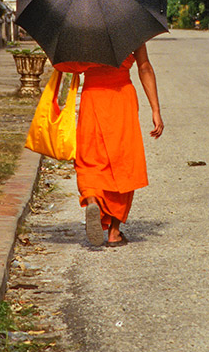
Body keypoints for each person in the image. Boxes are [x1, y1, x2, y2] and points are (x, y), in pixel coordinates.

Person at [53, 42, 163, 247]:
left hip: (93, 97)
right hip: (122, 98)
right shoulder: (128, 28)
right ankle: (114, 232)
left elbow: (62, 64)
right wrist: (155, 110)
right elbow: (144, 67)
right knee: (122, 160)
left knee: (91, 155)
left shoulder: (83, 32)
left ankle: (93, 199)